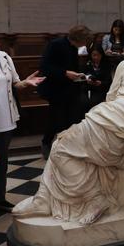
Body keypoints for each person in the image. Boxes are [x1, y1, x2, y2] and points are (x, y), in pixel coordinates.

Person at [13, 50, 124, 225]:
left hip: (113, 117)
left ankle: (92, 198)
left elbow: (112, 94)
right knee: (61, 145)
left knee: (61, 148)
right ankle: (43, 200)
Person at [0, 26, 45, 212]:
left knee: (2, 161)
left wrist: (25, 83)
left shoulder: (4, 57)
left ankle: (0, 199)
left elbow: (15, 83)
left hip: (4, 119)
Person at [38, 25, 93, 159]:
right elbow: (45, 67)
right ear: (79, 38)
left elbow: (72, 67)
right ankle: (46, 143)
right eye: (85, 40)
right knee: (55, 119)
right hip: (55, 89)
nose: (86, 44)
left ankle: (67, 147)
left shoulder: (74, 47)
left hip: (70, 89)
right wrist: (65, 73)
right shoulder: (56, 44)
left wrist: (81, 76)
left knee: (72, 119)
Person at [81, 45, 112, 112]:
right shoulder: (87, 64)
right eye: (94, 55)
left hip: (101, 89)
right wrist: (87, 79)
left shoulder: (106, 64)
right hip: (87, 87)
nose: (96, 57)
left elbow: (109, 81)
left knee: (94, 103)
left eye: (98, 55)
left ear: (102, 55)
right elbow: (82, 76)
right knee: (83, 102)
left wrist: (100, 83)